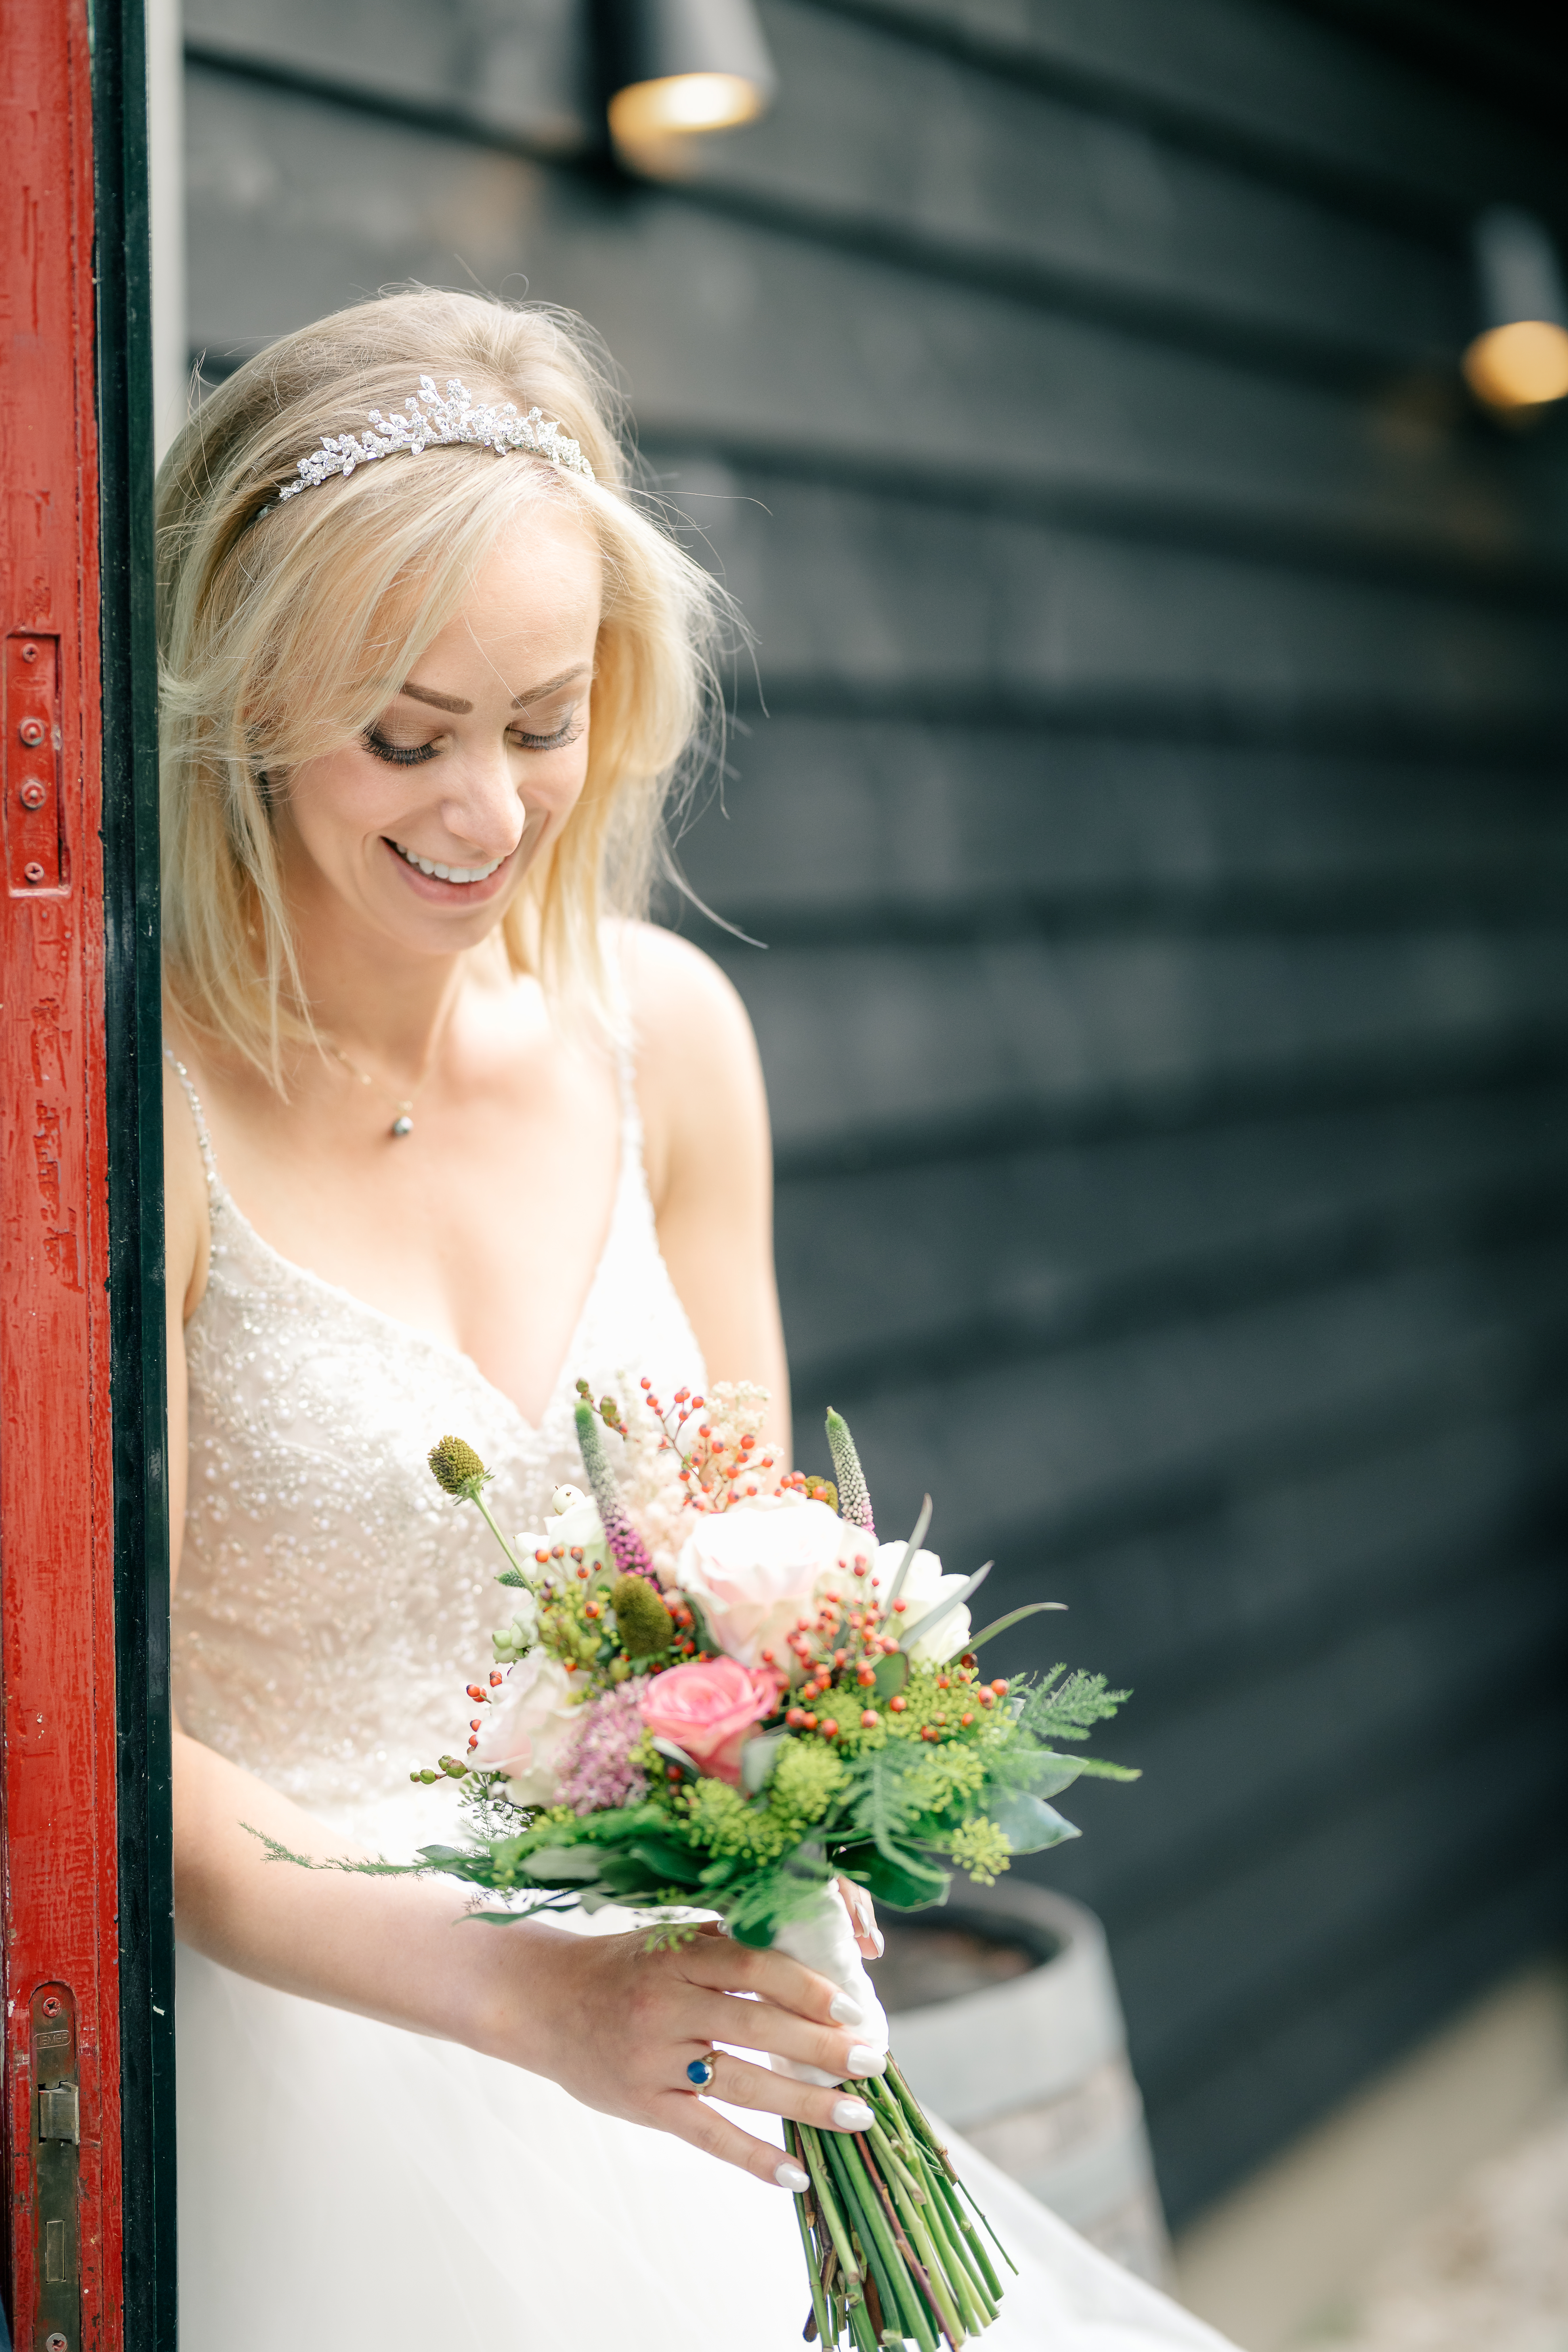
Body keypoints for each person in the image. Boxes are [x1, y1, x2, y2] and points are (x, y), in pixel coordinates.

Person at [159, 287, 1233, 2350]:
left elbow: (752, 1581)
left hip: (684, 2050)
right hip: (305, 2059)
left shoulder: (671, 1041)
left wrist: (804, 1814)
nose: (486, 812)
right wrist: (523, 1992)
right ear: (247, 692)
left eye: (543, 721)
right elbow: (124, 1755)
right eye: (405, 735)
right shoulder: (139, 1128)